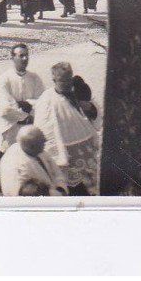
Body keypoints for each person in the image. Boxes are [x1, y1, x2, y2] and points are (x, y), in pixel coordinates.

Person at [33, 62, 100, 195]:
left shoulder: (78, 91)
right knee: (72, 190)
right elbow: (43, 129)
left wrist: (90, 108)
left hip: (86, 149)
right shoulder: (46, 100)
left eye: (69, 79)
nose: (68, 83)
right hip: (66, 153)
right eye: (63, 80)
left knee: (91, 188)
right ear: (54, 80)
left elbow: (95, 114)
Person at [0, 43, 45, 156]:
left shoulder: (35, 78)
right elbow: (6, 108)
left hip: (29, 132)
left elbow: (42, 103)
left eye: (26, 55)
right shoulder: (4, 79)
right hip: (9, 130)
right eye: (21, 55)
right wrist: (27, 114)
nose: (25, 58)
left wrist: (26, 104)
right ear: (12, 58)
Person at [0, 126, 68, 197]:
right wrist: (58, 195)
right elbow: (30, 194)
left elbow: (55, 170)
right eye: (42, 140)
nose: (46, 140)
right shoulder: (19, 166)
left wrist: (61, 188)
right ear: (32, 146)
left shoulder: (34, 150)